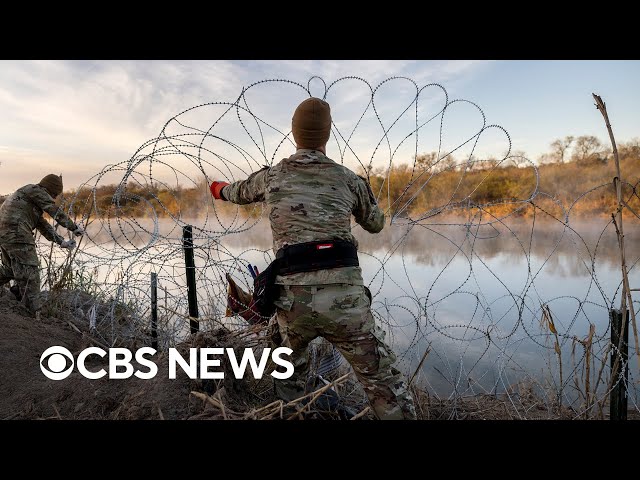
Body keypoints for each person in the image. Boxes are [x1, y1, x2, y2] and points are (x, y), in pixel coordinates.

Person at [210, 97, 417, 420]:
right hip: (346, 303)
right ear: (327, 135)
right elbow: (375, 224)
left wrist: (217, 188)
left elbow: (235, 192)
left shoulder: (272, 177)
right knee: (381, 383)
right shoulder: (349, 179)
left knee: (288, 381)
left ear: (294, 134)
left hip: (294, 304)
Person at [0, 174, 84, 316]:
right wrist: (73, 227)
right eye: (54, 194)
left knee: (10, 270)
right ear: (50, 190)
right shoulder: (35, 190)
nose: (54, 198)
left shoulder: (27, 198)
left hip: (5, 234)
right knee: (31, 273)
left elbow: (42, 225)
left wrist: (61, 242)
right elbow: (53, 210)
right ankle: (34, 312)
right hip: (17, 233)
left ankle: (25, 302)